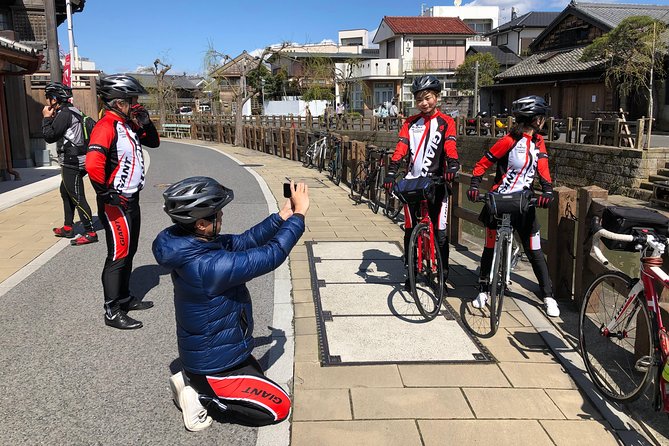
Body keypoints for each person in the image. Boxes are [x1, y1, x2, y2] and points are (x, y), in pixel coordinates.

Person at [152, 177, 309, 430]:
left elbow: (244, 241)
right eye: (217, 213)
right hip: (215, 367)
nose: (222, 215)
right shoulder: (208, 266)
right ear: (202, 224)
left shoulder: (190, 243)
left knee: (260, 380)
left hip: (218, 356)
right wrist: (299, 215)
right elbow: (271, 254)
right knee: (278, 407)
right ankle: (202, 398)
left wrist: (282, 216)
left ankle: (188, 381)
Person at [466, 95, 559, 318]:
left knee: (534, 249)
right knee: (490, 246)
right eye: (542, 118)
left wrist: (547, 190)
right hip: (499, 201)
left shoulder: (539, 142)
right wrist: (474, 184)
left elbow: (543, 168)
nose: (543, 122)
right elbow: (483, 163)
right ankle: (483, 289)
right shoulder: (508, 140)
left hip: (524, 203)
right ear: (536, 119)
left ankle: (547, 295)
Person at [85, 74, 160, 330]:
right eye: (131, 100)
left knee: (130, 250)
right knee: (117, 255)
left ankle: (125, 298)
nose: (135, 103)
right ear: (118, 102)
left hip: (131, 199)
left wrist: (146, 123)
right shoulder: (106, 126)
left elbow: (153, 143)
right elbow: (93, 163)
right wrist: (105, 193)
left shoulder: (125, 124)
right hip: (115, 202)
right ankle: (112, 309)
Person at [383, 75, 459, 290]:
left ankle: (443, 274)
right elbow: (401, 148)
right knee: (410, 230)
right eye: (419, 99)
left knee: (441, 233)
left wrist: (453, 165)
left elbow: (450, 146)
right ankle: (412, 272)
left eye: (427, 98)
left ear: (436, 97)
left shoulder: (447, 122)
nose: (423, 103)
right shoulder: (410, 122)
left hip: (436, 182)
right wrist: (391, 172)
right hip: (413, 183)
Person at [42, 82, 97, 246]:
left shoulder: (64, 114)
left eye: (48, 97)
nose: (47, 101)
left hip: (72, 161)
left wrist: (45, 119)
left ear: (54, 99)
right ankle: (68, 227)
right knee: (65, 192)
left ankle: (90, 232)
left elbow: (50, 136)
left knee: (77, 196)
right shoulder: (73, 110)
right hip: (80, 158)